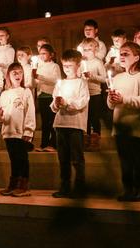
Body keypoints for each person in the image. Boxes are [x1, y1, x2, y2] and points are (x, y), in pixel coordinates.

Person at [107, 42, 140, 202]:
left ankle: (139, 190)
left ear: (136, 57)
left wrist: (124, 99)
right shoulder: (118, 77)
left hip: (136, 125)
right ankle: (127, 190)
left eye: (126, 53)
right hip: (120, 126)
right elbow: (111, 105)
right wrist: (112, 99)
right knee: (124, 160)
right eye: (120, 53)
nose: (121, 56)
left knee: (136, 159)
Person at [50, 49, 90, 198]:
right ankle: (65, 187)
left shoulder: (82, 83)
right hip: (60, 124)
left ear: (78, 65)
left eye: (70, 65)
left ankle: (80, 189)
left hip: (75, 125)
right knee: (63, 158)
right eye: (64, 65)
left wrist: (66, 103)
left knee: (77, 159)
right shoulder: (60, 83)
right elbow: (53, 107)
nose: (66, 68)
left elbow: (81, 102)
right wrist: (56, 103)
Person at [0, 62, 36, 197]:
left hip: (21, 132)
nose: (17, 75)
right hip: (8, 131)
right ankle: (13, 184)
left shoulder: (26, 91)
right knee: (13, 159)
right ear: (8, 76)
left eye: (20, 72)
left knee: (22, 158)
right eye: (14, 72)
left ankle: (24, 186)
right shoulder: (4, 94)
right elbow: (1, 116)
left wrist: (28, 131)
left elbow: (30, 112)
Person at [79, 38, 107, 152]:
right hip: (84, 93)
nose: (87, 52)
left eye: (89, 49)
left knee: (94, 117)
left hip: (95, 93)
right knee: (86, 118)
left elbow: (104, 79)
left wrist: (92, 76)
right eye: (85, 50)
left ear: (95, 50)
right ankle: (86, 139)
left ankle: (95, 140)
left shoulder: (98, 62)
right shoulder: (81, 62)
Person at [34, 44, 61, 152]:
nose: (42, 55)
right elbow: (37, 83)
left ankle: (53, 144)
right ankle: (43, 144)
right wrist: (35, 78)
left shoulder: (55, 66)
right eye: (40, 53)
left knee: (52, 121)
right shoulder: (39, 67)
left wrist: (40, 77)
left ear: (51, 55)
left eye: (44, 53)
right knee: (45, 122)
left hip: (51, 95)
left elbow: (56, 80)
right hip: (41, 96)